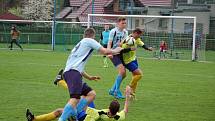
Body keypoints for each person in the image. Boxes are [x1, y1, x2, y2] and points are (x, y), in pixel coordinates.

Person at [58, 28, 123, 121]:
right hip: (73, 73)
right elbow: (104, 51)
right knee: (75, 98)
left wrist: (89, 77)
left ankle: (74, 113)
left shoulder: (80, 44)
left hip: (72, 72)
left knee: (91, 94)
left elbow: (78, 66)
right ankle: (62, 119)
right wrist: (116, 50)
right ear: (93, 36)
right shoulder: (89, 41)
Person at [26, 86, 132, 121]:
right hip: (87, 113)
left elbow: (84, 108)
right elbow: (126, 110)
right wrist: (127, 96)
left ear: (108, 108)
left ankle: (34, 119)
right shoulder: (119, 117)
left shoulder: (100, 114)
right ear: (117, 111)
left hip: (84, 116)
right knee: (85, 97)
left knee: (60, 111)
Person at [120, 28, 153, 99]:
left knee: (135, 76)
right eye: (139, 35)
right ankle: (129, 87)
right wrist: (130, 49)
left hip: (134, 59)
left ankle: (132, 94)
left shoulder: (137, 39)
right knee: (139, 74)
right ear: (135, 33)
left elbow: (142, 44)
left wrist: (147, 48)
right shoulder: (128, 40)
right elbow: (121, 50)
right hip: (127, 61)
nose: (139, 37)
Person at [108, 17, 128, 99]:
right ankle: (116, 91)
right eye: (122, 23)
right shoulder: (113, 31)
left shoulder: (125, 32)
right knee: (122, 71)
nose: (124, 25)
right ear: (118, 23)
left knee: (124, 74)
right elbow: (109, 43)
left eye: (125, 23)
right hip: (113, 53)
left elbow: (124, 43)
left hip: (120, 53)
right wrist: (109, 52)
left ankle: (112, 89)